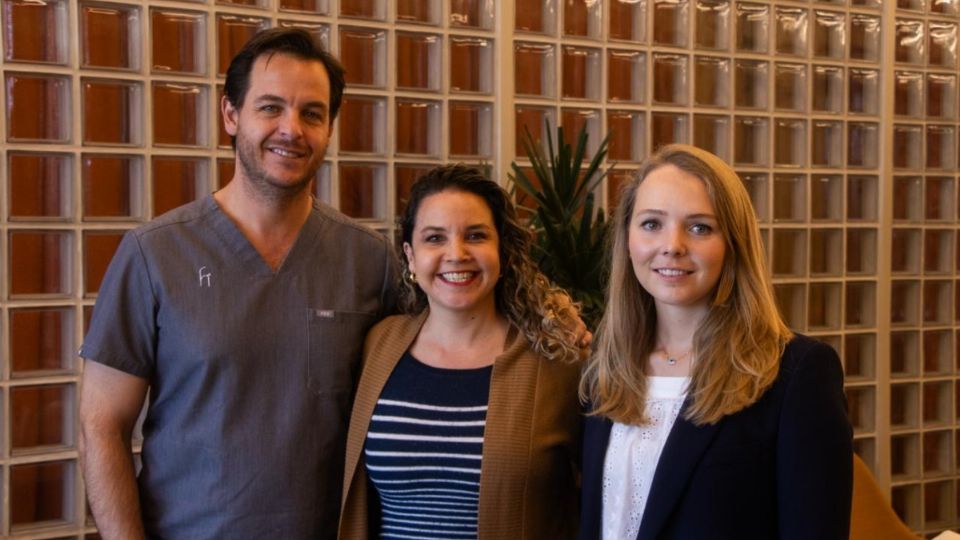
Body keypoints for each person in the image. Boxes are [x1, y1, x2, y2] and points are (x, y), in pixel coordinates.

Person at [77, 28, 396, 539]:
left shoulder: (369, 260)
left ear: (330, 127)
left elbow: (447, 353)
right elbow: (101, 424)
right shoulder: (154, 254)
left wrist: (551, 325)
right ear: (231, 115)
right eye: (270, 108)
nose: (291, 129)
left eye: (312, 113)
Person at [579, 144, 853, 539]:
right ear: (627, 239)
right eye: (652, 223)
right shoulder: (604, 369)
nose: (672, 245)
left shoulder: (797, 373)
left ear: (733, 244)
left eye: (699, 227)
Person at [338, 165, 585, 539]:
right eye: (435, 238)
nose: (456, 254)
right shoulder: (379, 345)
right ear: (410, 255)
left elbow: (604, 492)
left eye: (475, 235)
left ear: (500, 249)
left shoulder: (556, 360)